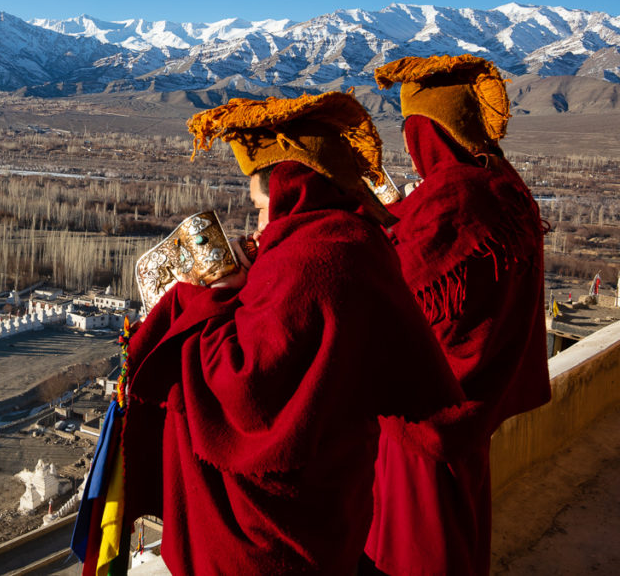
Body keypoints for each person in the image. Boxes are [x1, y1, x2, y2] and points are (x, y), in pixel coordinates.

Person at [119, 91, 464, 575]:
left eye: (261, 205)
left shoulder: (308, 260)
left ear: (288, 189)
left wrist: (207, 296)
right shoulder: (351, 237)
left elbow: (248, 385)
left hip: (274, 529)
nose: (259, 223)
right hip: (336, 491)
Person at [363, 55, 552, 575]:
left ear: (430, 131)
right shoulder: (503, 184)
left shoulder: (455, 198)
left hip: (425, 416)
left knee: (415, 542)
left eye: (412, 132)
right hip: (475, 406)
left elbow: (387, 283)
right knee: (459, 526)